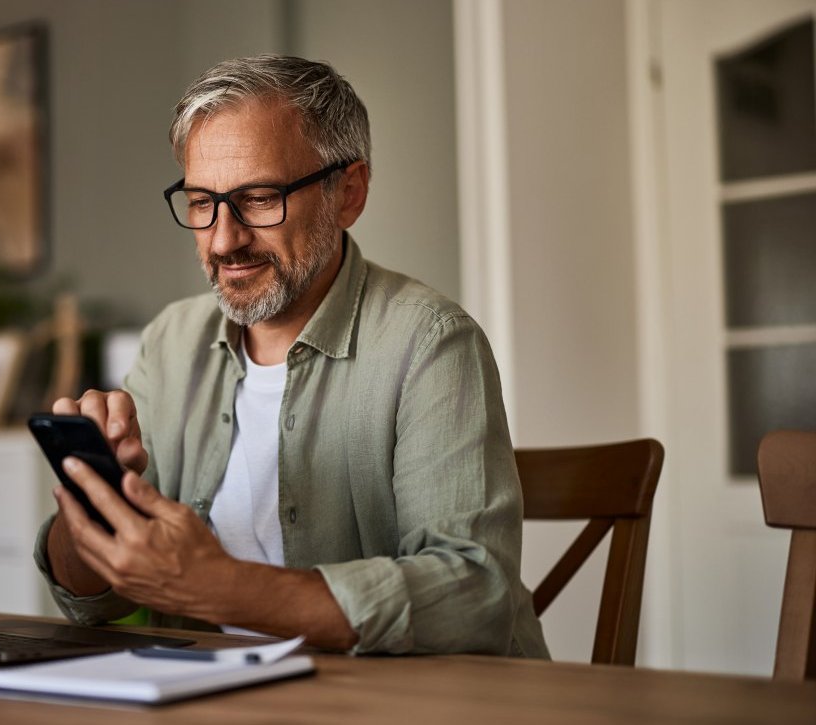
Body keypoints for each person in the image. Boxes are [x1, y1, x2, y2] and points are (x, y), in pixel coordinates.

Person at [34, 54, 549, 657]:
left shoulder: (431, 343)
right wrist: (92, 505)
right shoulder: (171, 342)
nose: (224, 239)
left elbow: (473, 597)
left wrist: (220, 587)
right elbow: (88, 600)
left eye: (258, 198)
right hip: (218, 697)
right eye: (202, 202)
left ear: (348, 193)